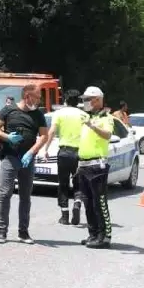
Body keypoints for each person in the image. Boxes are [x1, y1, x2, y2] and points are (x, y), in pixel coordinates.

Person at [0, 83, 50, 245]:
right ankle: (2, 232)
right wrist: (7, 137)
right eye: (37, 97)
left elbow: (44, 136)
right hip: (10, 157)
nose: (39, 101)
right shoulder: (8, 110)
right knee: (5, 194)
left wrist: (31, 152)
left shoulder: (38, 115)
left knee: (25, 196)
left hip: (27, 160)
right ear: (27, 96)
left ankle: (23, 232)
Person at [76, 86, 116, 250]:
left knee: (99, 201)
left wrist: (92, 125)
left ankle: (104, 236)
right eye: (84, 99)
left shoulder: (106, 117)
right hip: (84, 164)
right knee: (87, 201)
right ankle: (93, 233)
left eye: (88, 99)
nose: (85, 102)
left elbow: (107, 135)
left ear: (98, 100)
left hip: (97, 165)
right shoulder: (87, 117)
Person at [50, 89, 88, 226]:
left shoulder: (59, 113)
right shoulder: (84, 115)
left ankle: (64, 216)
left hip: (64, 152)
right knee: (78, 182)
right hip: (80, 153)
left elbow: (52, 131)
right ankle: (77, 203)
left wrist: (46, 148)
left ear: (65, 100)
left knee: (63, 184)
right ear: (78, 102)